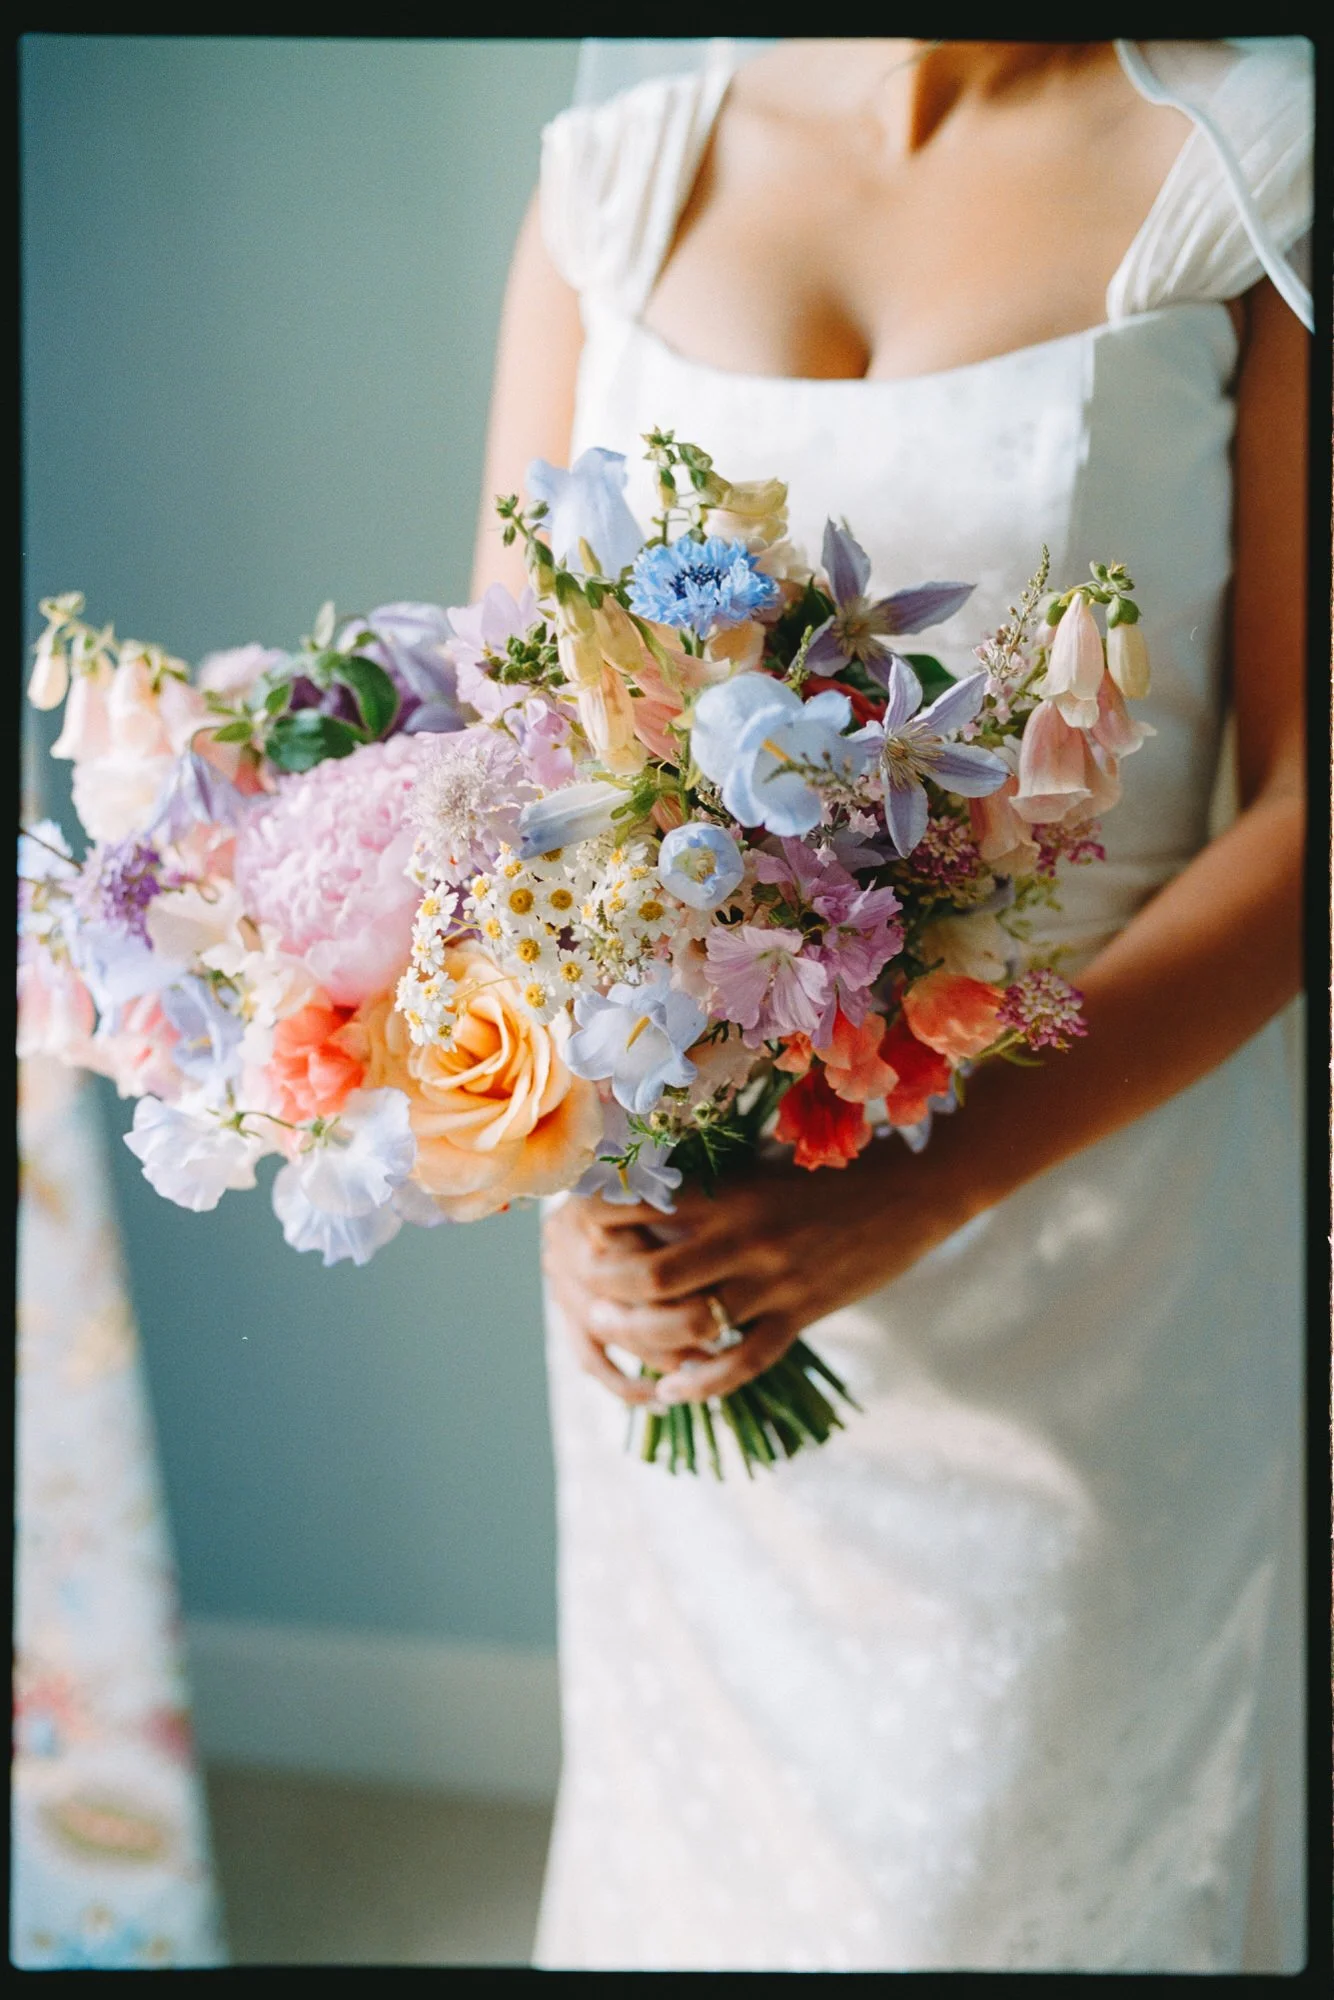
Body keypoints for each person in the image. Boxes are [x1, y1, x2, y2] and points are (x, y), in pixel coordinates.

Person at [468, 38, 1311, 1973]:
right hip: (693, 1237)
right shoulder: (616, 187)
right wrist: (582, 1177)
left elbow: (1305, 802)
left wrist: (924, 1186)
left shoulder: (1250, 168)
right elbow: (510, 752)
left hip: (1091, 1229)